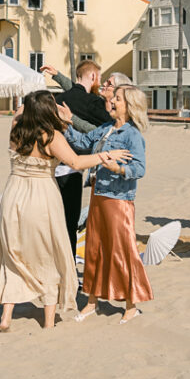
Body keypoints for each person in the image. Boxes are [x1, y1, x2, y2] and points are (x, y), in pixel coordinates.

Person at [0, 90, 132, 332]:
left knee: (13, 253)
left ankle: (6, 316)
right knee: (48, 254)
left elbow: (19, 113)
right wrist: (105, 155)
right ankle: (48, 321)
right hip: (41, 195)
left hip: (14, 193)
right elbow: (76, 163)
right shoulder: (51, 136)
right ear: (48, 109)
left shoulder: (16, 128)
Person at [64, 85, 153, 324]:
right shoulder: (105, 129)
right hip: (98, 195)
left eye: (118, 99)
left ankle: (131, 304)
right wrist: (65, 124)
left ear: (129, 106)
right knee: (95, 249)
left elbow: (140, 169)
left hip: (119, 200)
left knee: (122, 252)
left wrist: (119, 169)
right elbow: (82, 142)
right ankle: (91, 302)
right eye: (113, 98)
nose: (112, 101)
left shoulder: (132, 135)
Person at [43, 60, 112, 256]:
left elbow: (76, 92)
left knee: (51, 222)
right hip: (72, 168)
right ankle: (69, 269)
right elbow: (105, 133)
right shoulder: (96, 104)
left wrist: (57, 76)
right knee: (69, 223)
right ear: (93, 77)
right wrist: (73, 120)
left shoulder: (58, 100)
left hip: (47, 168)